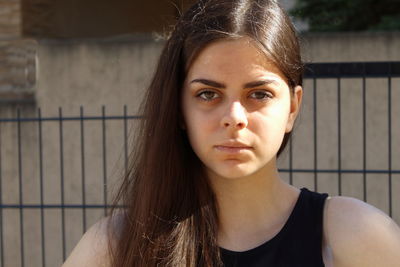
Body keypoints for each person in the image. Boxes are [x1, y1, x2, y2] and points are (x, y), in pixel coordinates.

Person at [63, 0, 400, 266]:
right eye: (208, 94)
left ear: (293, 108)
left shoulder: (353, 236)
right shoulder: (117, 246)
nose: (234, 117)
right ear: (179, 109)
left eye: (259, 94)